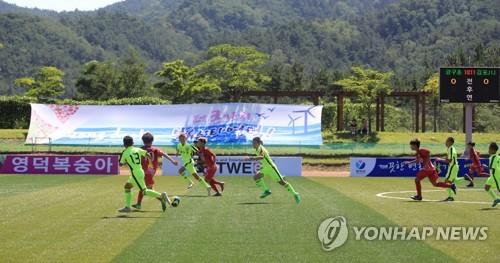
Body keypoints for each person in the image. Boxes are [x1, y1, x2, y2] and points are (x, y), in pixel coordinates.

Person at [118, 136, 170, 213]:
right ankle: (127, 207)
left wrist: (126, 160)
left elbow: (121, 164)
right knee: (127, 186)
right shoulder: (138, 149)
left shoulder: (125, 152)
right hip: (140, 171)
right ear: (133, 143)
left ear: (124, 144)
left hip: (135, 173)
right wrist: (150, 162)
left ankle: (161, 196)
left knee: (144, 191)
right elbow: (148, 154)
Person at [246, 137, 301, 204]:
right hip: (266, 168)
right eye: (252, 143)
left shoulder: (261, 149)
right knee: (256, 177)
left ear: (258, 143)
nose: (253, 144)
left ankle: (295, 194)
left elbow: (261, 157)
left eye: (254, 143)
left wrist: (251, 158)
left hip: (271, 168)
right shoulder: (257, 149)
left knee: (282, 182)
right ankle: (266, 191)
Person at [132, 132, 178, 210]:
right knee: (145, 188)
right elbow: (164, 154)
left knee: (146, 189)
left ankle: (162, 197)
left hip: (144, 171)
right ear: (152, 141)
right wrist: (172, 160)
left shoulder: (140, 149)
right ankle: (139, 204)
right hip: (152, 171)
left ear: (143, 141)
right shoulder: (155, 149)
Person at [435, 137, 463, 201]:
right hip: (455, 166)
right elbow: (449, 158)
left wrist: (440, 160)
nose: (445, 142)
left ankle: (450, 196)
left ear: (450, 142)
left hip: (452, 166)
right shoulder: (452, 148)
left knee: (447, 182)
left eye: (447, 141)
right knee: (454, 180)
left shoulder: (450, 149)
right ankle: (465, 178)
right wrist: (442, 158)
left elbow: (449, 161)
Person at [484, 142, 500, 207]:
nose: (488, 150)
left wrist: (485, 167)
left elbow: (492, 168)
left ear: (493, 150)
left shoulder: (493, 158)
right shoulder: (497, 156)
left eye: (489, 148)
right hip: (492, 175)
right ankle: (496, 198)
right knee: (487, 187)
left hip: (496, 175)